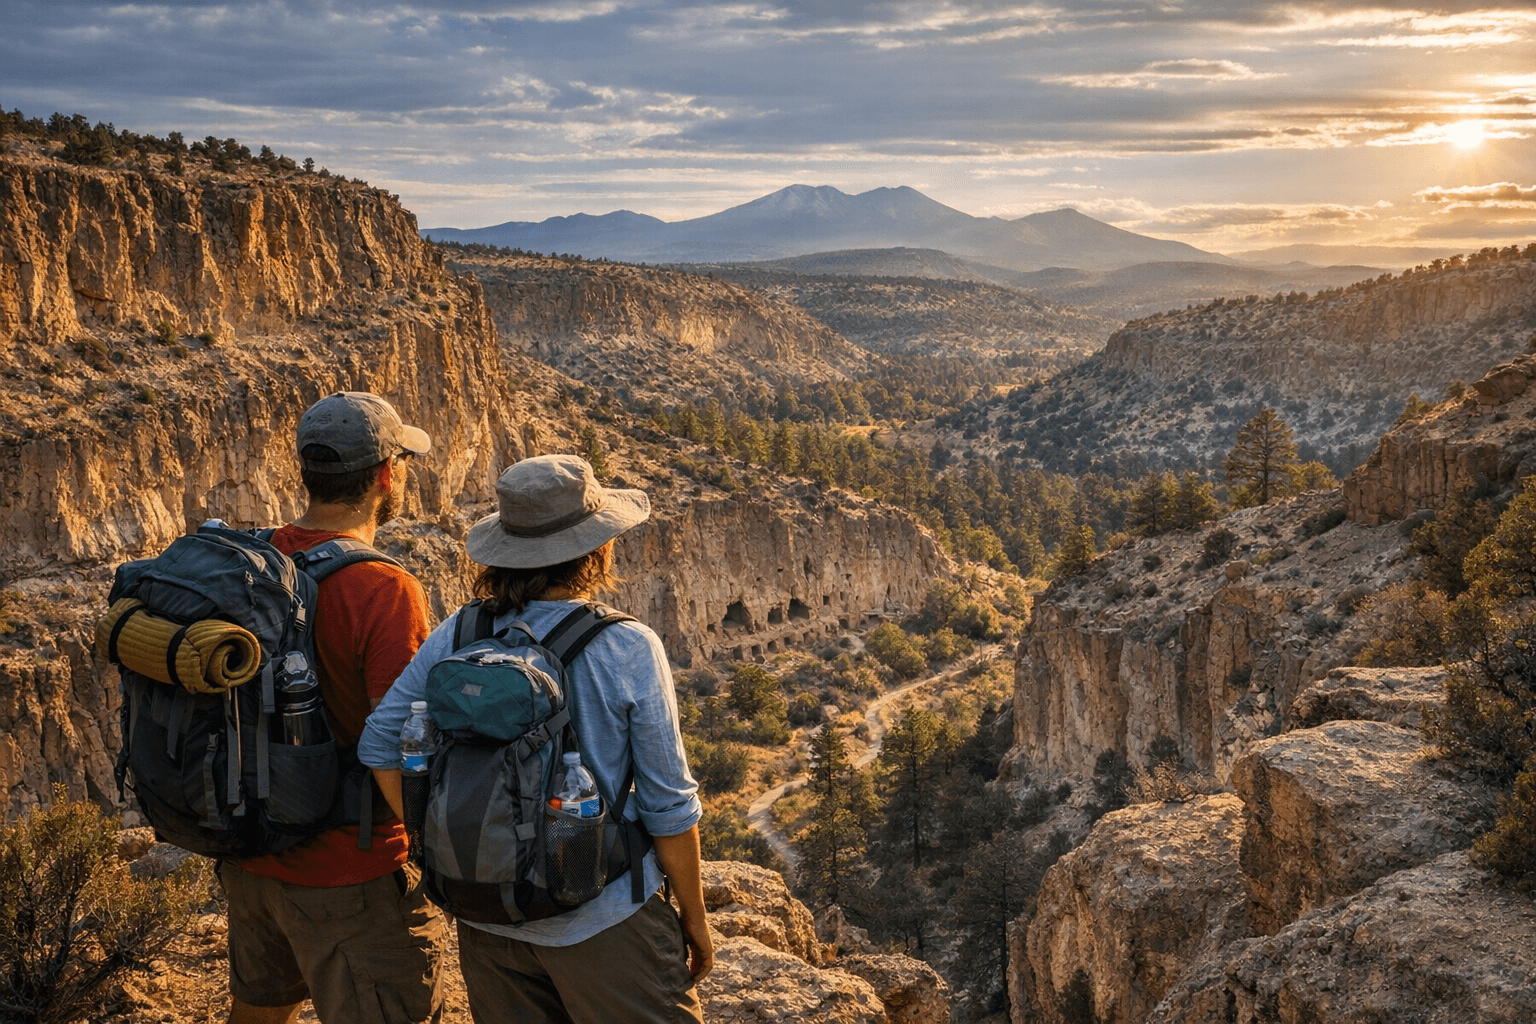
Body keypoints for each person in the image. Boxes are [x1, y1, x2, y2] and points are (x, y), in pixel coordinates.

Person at [360, 453, 712, 1024]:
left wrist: (439, 843)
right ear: (596, 549)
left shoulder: (462, 630)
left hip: (486, 917)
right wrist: (694, 918)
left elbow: (379, 745)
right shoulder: (627, 645)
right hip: (603, 920)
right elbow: (669, 804)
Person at [221, 392, 447, 1024]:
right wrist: (438, 855)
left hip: (250, 854)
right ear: (385, 475)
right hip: (350, 872)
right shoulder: (384, 589)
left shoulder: (251, 561)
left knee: (258, 1013)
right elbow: (403, 746)